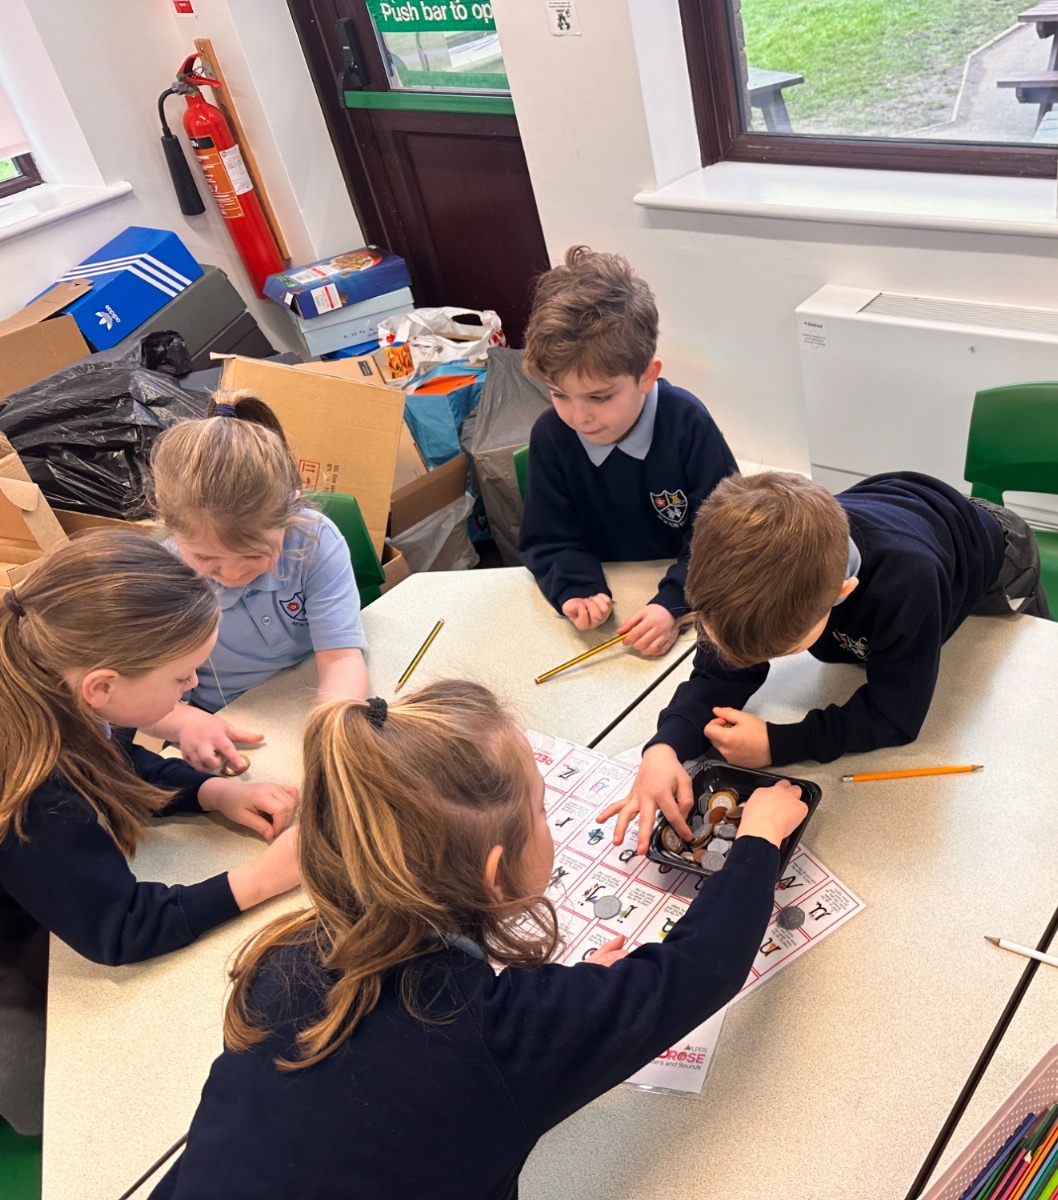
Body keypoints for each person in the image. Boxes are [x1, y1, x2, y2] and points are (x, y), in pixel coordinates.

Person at [148, 680, 809, 1199]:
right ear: (495, 875)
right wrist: (757, 841)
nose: (549, 821)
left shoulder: (283, 956)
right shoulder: (505, 1034)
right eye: (541, 811)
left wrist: (576, 1005)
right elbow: (700, 967)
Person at [0, 531, 301, 1137]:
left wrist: (211, 792)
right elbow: (120, 927)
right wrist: (264, 877)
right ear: (102, 686)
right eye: (182, 676)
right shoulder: (34, 791)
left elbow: (112, 760)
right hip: (16, 948)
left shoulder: (52, 684)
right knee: (46, 1107)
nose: (192, 688)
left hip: (40, 890)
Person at [604, 470, 1051, 853]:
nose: (751, 661)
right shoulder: (735, 584)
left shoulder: (908, 582)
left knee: (1033, 651)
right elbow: (720, 670)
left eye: (782, 650)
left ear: (842, 594)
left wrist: (780, 743)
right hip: (901, 518)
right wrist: (666, 746)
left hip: (996, 555)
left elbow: (898, 715)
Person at [517, 245, 737, 658]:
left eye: (599, 397)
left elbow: (724, 536)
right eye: (559, 394)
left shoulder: (688, 424)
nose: (579, 417)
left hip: (684, 595)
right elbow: (548, 537)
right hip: (612, 602)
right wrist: (575, 587)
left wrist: (673, 603)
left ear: (647, 376)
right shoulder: (551, 434)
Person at [143, 392, 369, 772]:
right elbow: (133, 697)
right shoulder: (160, 577)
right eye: (206, 559)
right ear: (169, 527)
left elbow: (341, 657)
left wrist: (333, 726)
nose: (232, 575)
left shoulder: (314, 540)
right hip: (222, 718)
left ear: (292, 510)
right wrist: (182, 722)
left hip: (312, 688)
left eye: (253, 555)